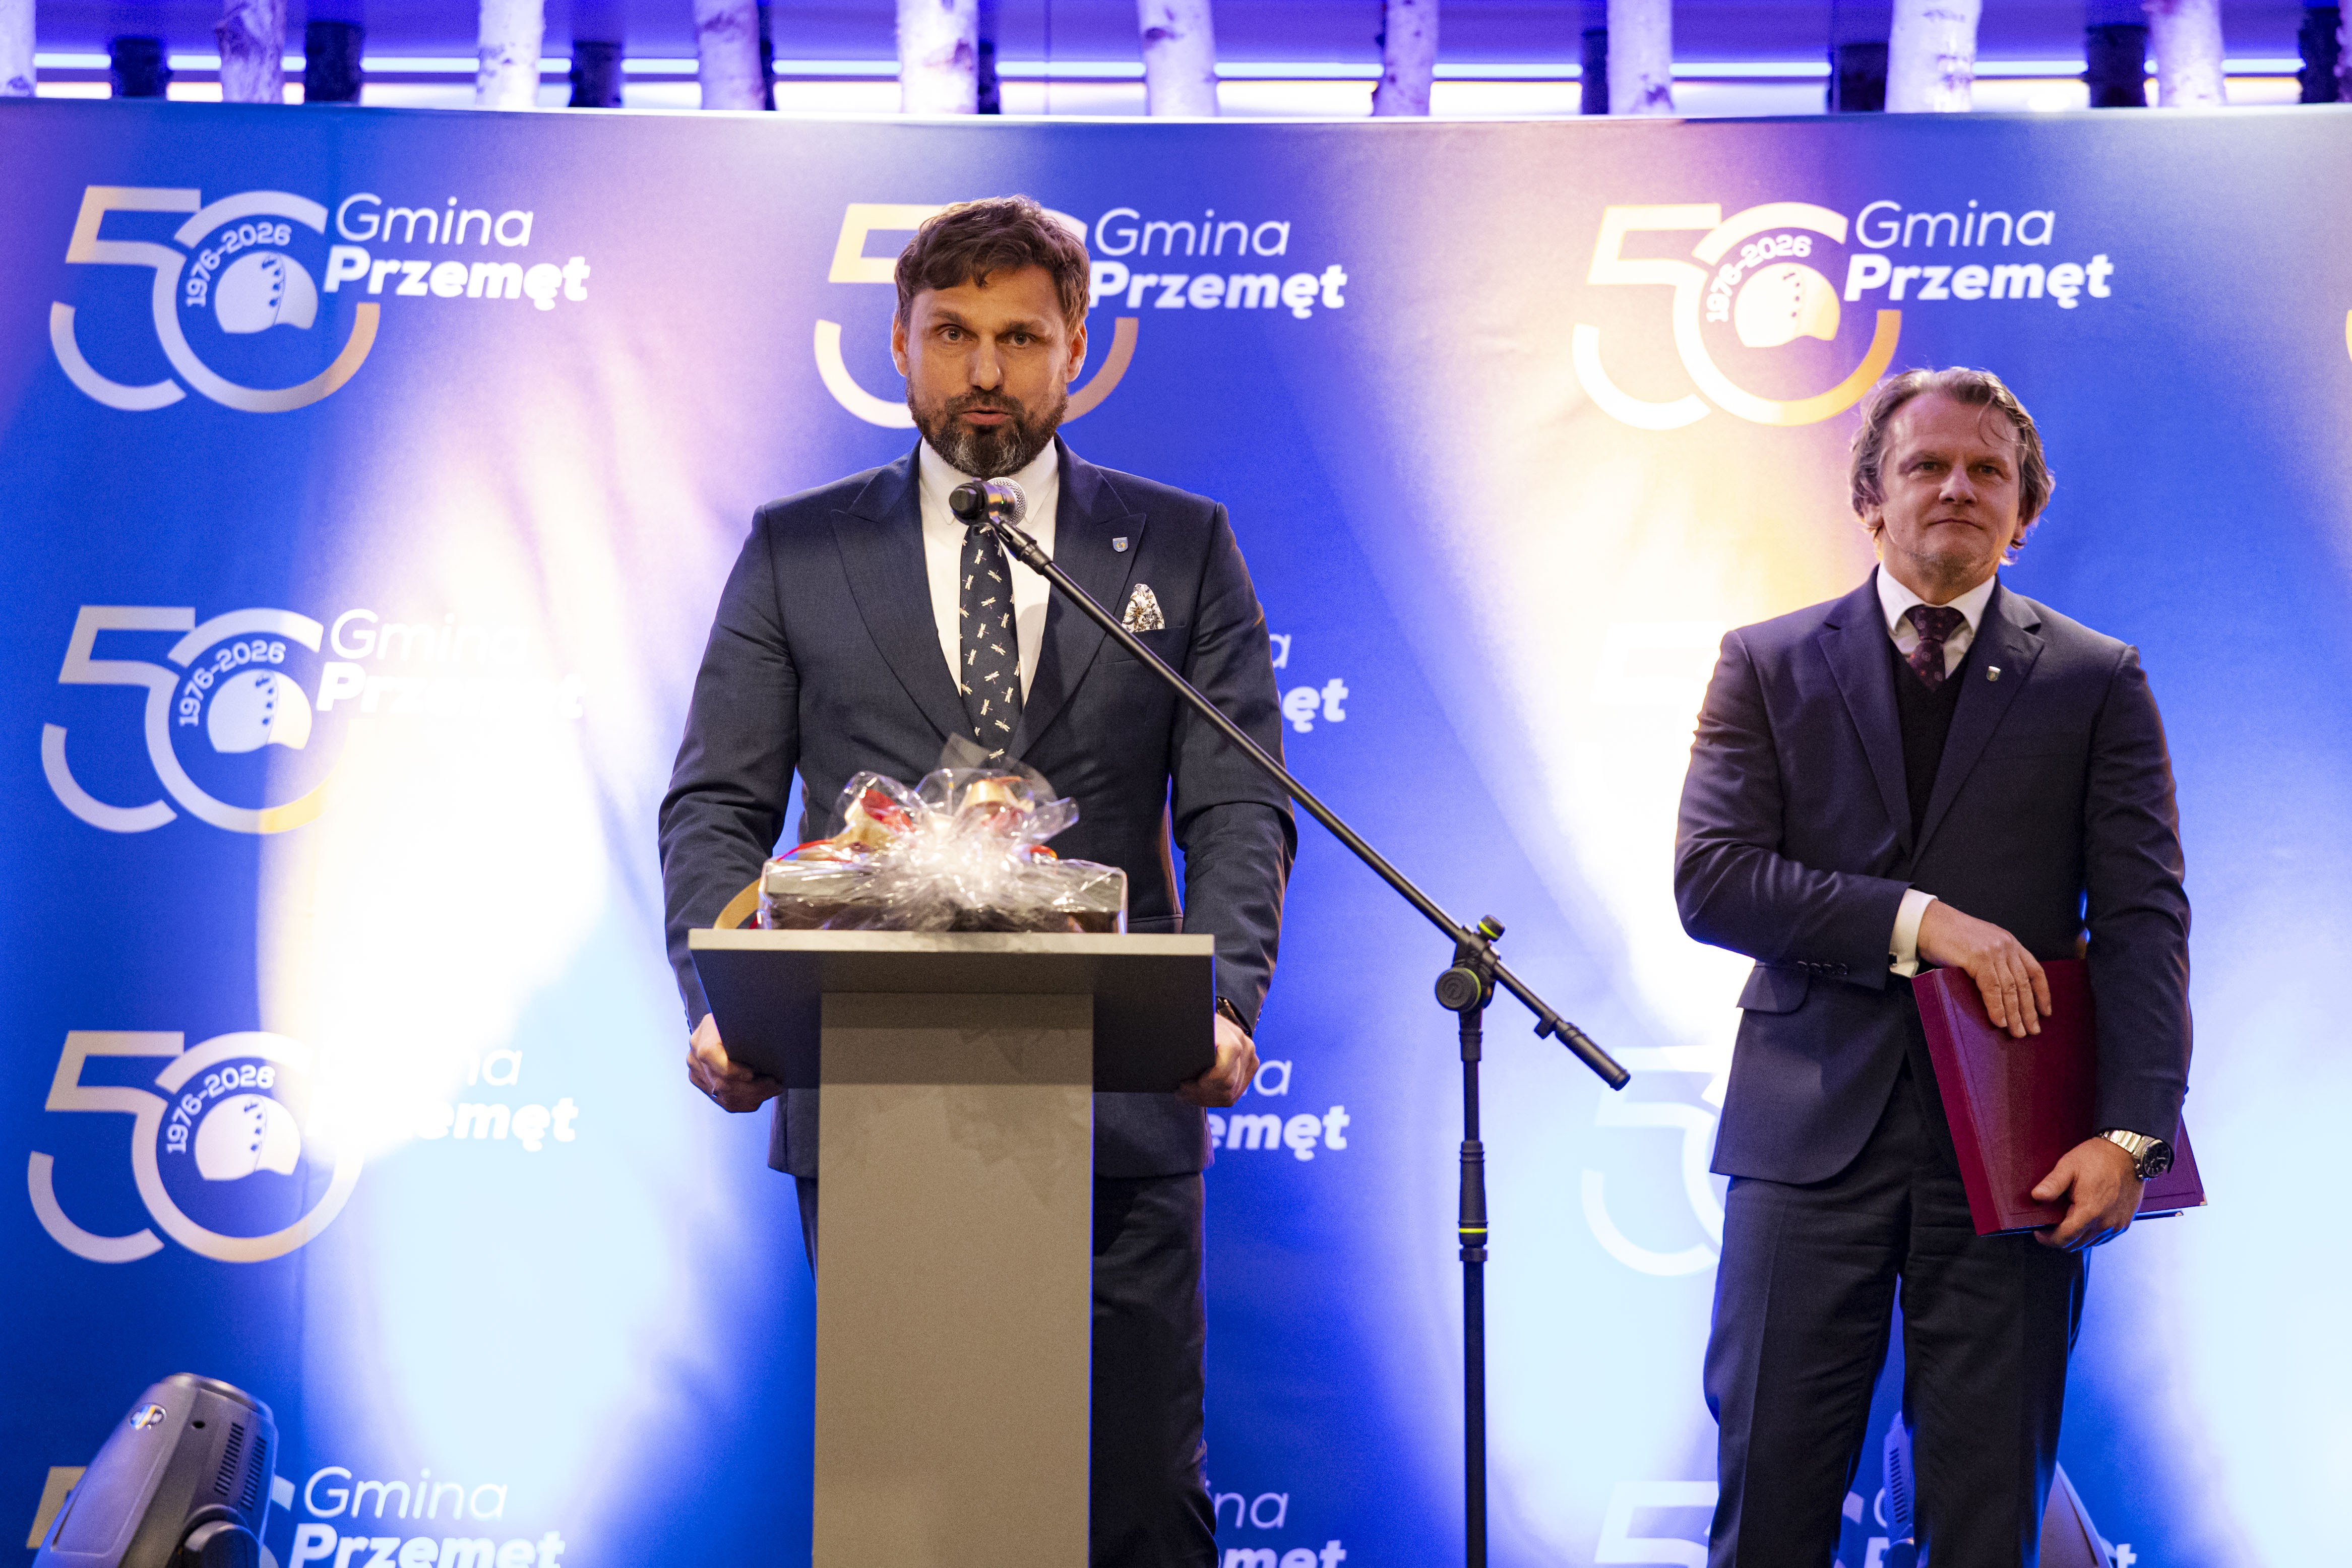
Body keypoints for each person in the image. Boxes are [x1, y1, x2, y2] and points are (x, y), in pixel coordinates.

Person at [656, 195, 1293, 1565]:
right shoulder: (799, 548)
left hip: (1122, 1098)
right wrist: (720, 1002)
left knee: (1134, 1501)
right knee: (911, 1507)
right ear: (899, 344)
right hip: (871, 1091)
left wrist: (1224, 1004)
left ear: (1078, 349)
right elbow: (717, 802)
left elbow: (1238, 801)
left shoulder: (1178, 546)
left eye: (1021, 336)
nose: (985, 371)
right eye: (952, 334)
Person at [1674, 367, 2190, 1566]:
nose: (1956, 487)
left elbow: (2142, 920)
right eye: (1925, 465)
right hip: (1804, 1146)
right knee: (1767, 1511)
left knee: (1986, 1522)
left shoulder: (2095, 677)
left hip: (2015, 1156)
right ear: (1869, 496)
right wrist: (1921, 921)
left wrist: (2130, 1137)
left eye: (1986, 471)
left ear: (2023, 513)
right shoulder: (1765, 662)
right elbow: (1712, 880)